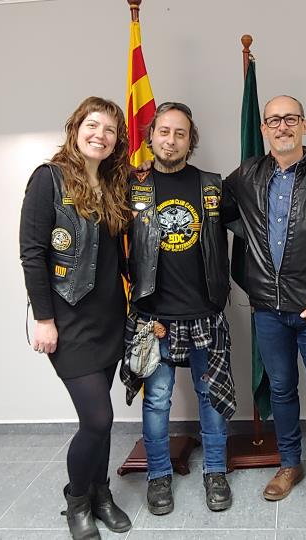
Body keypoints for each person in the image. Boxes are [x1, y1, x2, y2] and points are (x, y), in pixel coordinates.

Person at [222, 95, 306, 532]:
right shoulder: (245, 176)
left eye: (290, 119)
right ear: (263, 129)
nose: (282, 126)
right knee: (281, 391)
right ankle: (289, 463)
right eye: (273, 120)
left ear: (304, 125)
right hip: (268, 310)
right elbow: (210, 205)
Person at [19, 97, 132, 539]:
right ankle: (78, 501)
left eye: (110, 130)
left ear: (117, 141)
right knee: (97, 420)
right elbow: (33, 255)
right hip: (69, 322)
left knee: (101, 420)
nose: (100, 135)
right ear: (75, 128)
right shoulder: (48, 179)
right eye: (92, 125)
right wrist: (44, 319)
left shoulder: (113, 184)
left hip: (110, 319)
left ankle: (102, 495)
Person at [124, 102, 235, 515]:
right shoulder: (133, 187)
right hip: (153, 317)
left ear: (191, 141)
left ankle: (216, 471)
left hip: (204, 313)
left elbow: (245, 233)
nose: (171, 140)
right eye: (164, 132)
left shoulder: (212, 186)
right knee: (156, 400)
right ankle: (158, 476)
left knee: (211, 395)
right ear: (151, 136)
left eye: (180, 133)